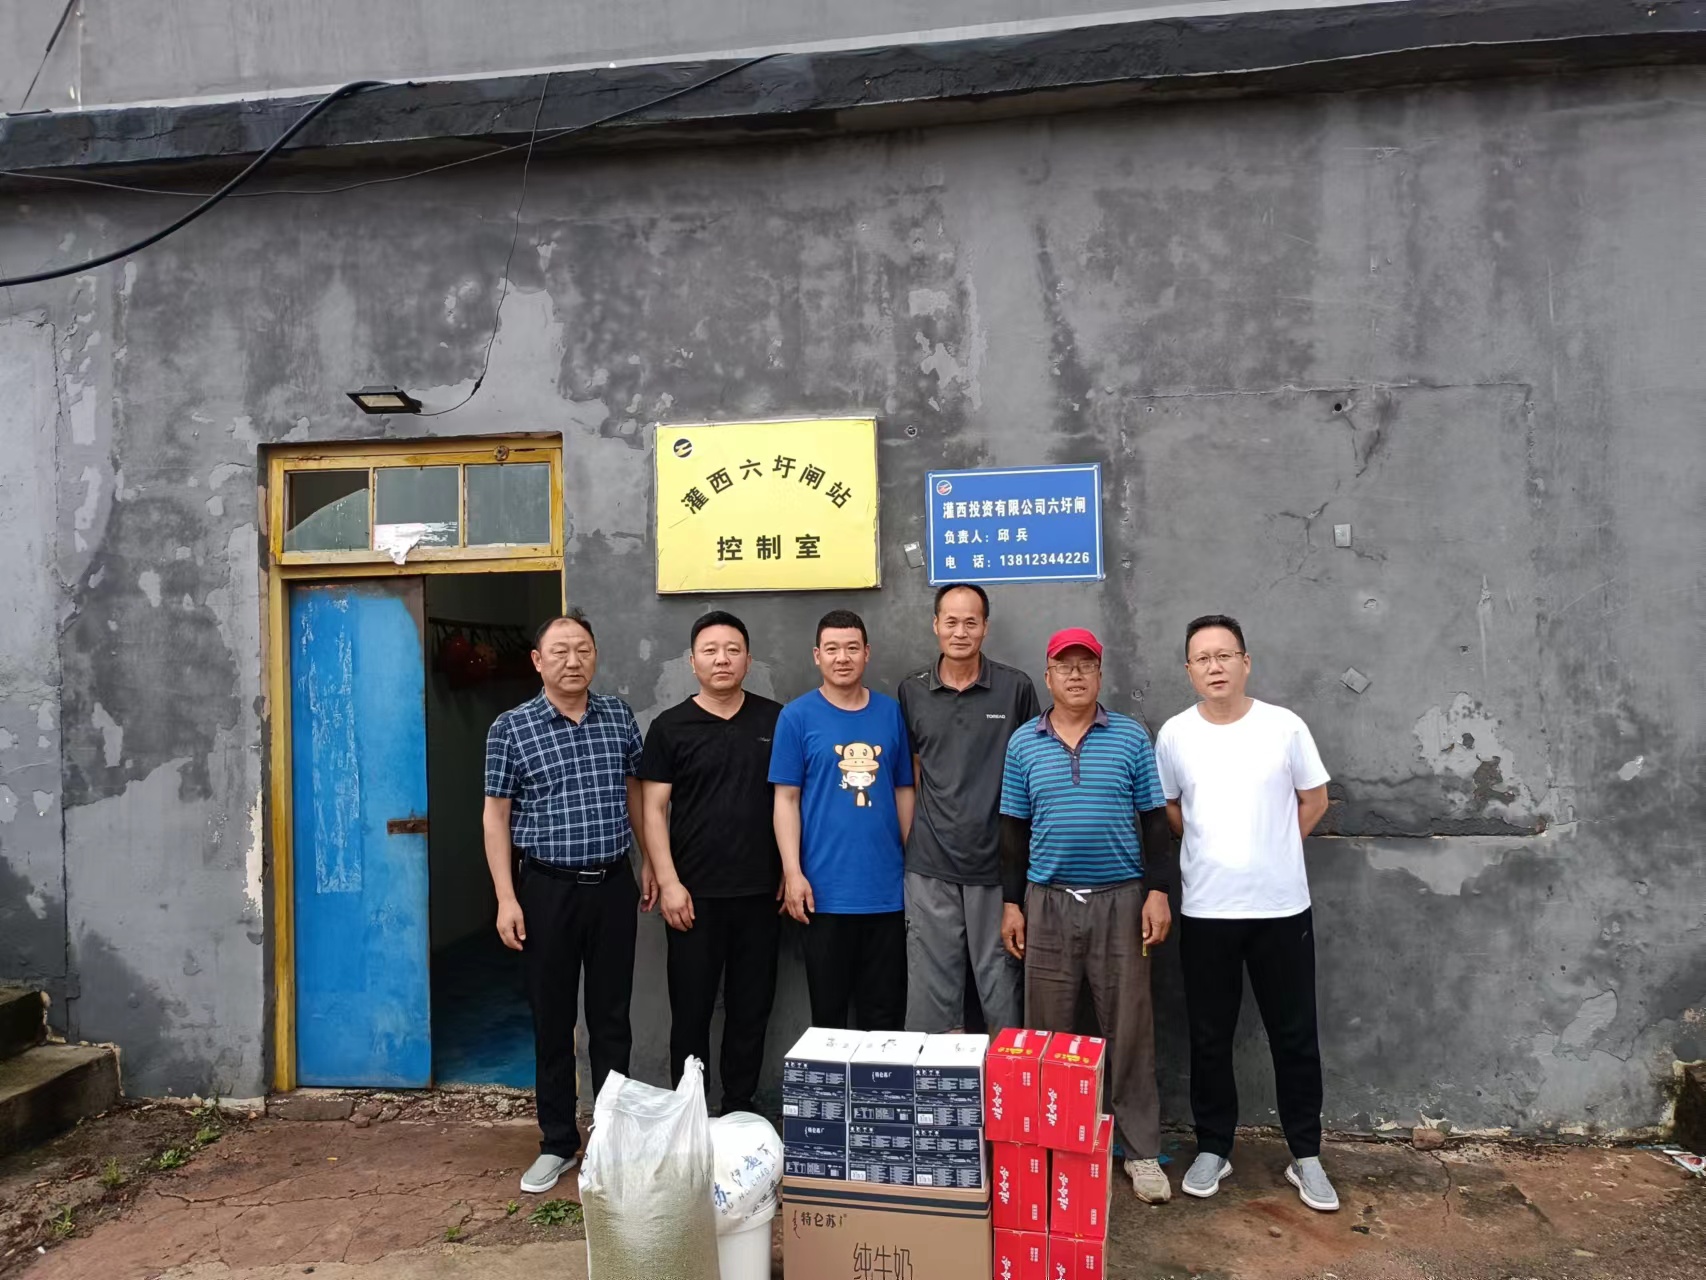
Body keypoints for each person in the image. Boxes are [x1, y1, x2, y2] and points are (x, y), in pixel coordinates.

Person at [1155, 614, 1337, 1212]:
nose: (1215, 667)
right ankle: (1214, 1147)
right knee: (1210, 1036)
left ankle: (1306, 1154)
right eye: (1202, 658)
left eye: (1224, 655)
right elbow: (1171, 810)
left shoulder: (1284, 726)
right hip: (1208, 910)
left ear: (1245, 662)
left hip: (1282, 909)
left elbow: (1314, 800)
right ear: (1189, 670)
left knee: (1295, 1035)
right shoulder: (1176, 734)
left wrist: (1275, 848)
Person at [999, 626, 1176, 1205]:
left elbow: (1155, 821)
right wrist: (1012, 904)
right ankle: (1051, 1148)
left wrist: (1157, 891)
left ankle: (1140, 1150)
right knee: (1047, 1034)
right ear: (1047, 676)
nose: (1075, 675)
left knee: (1129, 1028)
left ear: (1100, 674)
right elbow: (1013, 830)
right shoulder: (1024, 743)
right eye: (1064, 665)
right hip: (1047, 902)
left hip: (1120, 900)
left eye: (1086, 665)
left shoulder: (1128, 736)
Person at [483, 610, 653, 1196]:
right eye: (559, 651)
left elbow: (634, 794)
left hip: (612, 885)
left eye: (582, 649)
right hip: (546, 890)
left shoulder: (617, 717)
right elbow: (495, 817)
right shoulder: (511, 728)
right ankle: (557, 1141)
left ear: (595, 655)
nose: (572, 660)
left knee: (611, 1019)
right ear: (538, 661)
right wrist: (506, 897)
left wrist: (650, 863)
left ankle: (611, 1139)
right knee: (552, 1019)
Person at [639, 610, 784, 1117]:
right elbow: (653, 810)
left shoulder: (776, 720)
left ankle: (740, 1109)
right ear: (692, 661)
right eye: (710, 650)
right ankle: (690, 1114)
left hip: (761, 893)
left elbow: (792, 802)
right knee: (691, 1012)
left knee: (751, 1009)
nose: (722, 659)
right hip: (692, 897)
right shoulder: (669, 727)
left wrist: (789, 871)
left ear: (748, 658)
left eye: (732, 650)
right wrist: (669, 882)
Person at [898, 583, 1039, 1034]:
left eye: (971, 622)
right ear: (935, 625)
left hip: (997, 865)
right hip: (930, 866)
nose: (961, 632)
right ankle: (934, 1079)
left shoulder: (1015, 688)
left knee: (1002, 987)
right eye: (951, 622)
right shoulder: (912, 690)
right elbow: (913, 772)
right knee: (931, 995)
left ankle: (1006, 1077)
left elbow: (1032, 769)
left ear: (985, 627)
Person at [770, 608, 915, 1030]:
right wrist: (792, 873)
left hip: (888, 892)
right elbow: (786, 799)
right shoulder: (796, 717)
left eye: (852, 648)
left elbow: (904, 790)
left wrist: (912, 864)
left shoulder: (890, 713)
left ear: (867, 652)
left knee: (885, 1017)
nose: (842, 658)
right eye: (832, 649)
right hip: (823, 893)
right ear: (817, 655)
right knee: (828, 1017)